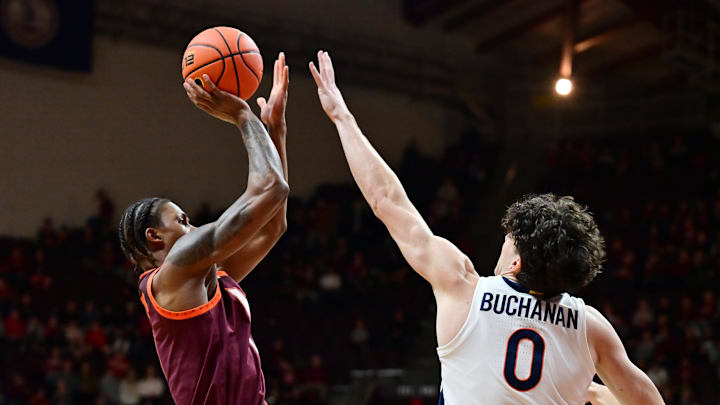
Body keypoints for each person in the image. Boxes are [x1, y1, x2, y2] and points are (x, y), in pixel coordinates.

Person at [308, 50, 664, 405]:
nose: (503, 244)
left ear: (516, 263)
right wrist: (598, 393)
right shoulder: (590, 327)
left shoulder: (463, 287)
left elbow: (386, 200)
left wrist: (342, 117)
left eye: (509, 240)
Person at [117, 53, 290, 405]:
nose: (193, 226)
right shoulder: (172, 274)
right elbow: (272, 188)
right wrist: (243, 116)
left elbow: (274, 225)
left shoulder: (207, 275)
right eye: (182, 220)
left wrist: (275, 131)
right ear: (155, 236)